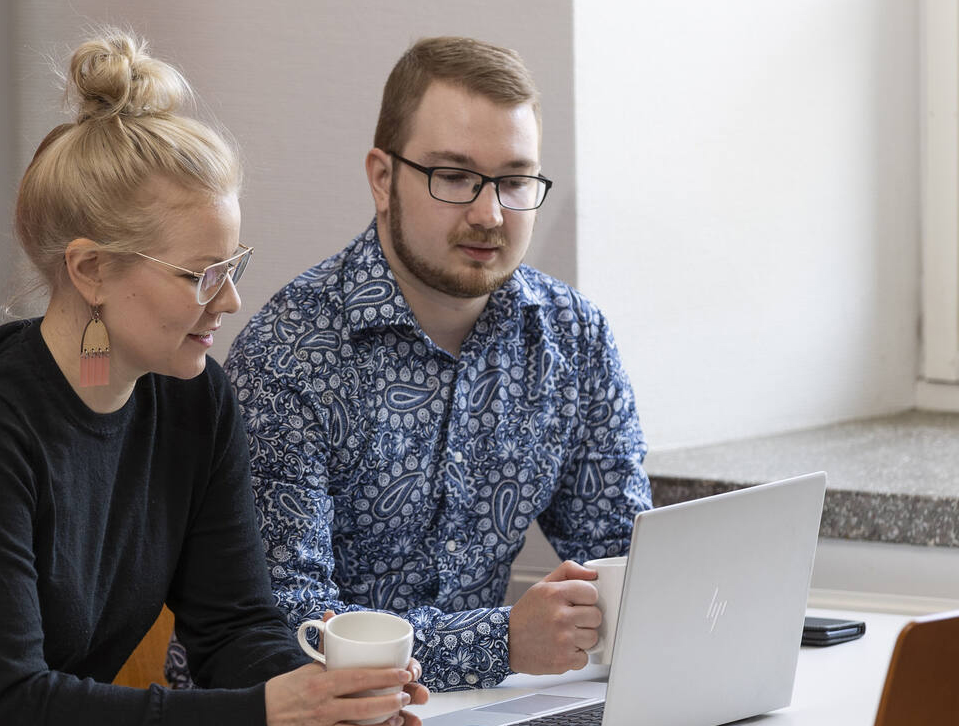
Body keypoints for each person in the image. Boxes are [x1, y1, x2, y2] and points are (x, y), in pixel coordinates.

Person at [0, 31, 427, 726]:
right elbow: (12, 703)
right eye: (202, 276)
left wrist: (328, 702)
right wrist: (264, 712)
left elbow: (232, 630)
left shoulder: (197, 403)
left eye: (235, 266)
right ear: (91, 271)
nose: (229, 302)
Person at [214, 36, 652, 693]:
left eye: (513, 181)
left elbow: (626, 562)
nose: (488, 213)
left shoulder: (573, 338)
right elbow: (290, 629)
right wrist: (502, 642)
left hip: (472, 711)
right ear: (382, 178)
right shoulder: (289, 354)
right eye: (453, 177)